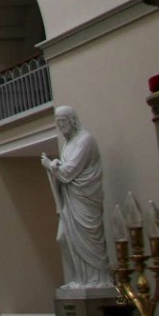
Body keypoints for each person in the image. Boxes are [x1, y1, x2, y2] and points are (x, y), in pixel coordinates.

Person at [40, 105, 114, 288]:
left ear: (72, 120)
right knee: (63, 238)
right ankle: (79, 278)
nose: (60, 125)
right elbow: (65, 169)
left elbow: (69, 172)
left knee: (87, 240)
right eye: (57, 122)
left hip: (85, 200)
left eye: (63, 121)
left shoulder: (85, 140)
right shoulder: (67, 144)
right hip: (71, 199)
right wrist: (56, 164)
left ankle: (97, 279)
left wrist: (51, 165)